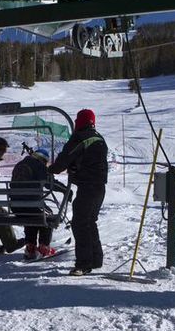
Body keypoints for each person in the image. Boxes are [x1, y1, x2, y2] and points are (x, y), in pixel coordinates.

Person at [48, 109, 108, 276]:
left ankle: (83, 263)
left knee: (80, 224)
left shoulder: (80, 138)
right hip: (99, 187)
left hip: (87, 186)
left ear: (79, 122)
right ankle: (96, 259)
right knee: (90, 222)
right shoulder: (99, 138)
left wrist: (52, 169)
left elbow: (64, 159)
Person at [10, 148, 71, 260]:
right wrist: (65, 190)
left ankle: (30, 246)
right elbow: (49, 183)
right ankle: (43, 247)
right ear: (42, 159)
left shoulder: (20, 164)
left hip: (15, 206)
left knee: (31, 216)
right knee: (48, 215)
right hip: (31, 203)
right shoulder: (39, 165)